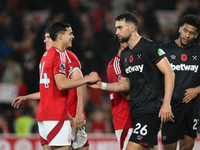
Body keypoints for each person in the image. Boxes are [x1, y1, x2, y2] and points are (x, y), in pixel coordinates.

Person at [89, 12, 175, 150]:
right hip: (136, 110)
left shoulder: (150, 47)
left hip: (151, 108)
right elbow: (124, 85)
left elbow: (169, 73)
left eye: (120, 27)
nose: (116, 31)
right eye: (116, 28)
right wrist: (101, 85)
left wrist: (166, 104)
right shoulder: (125, 55)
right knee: (150, 147)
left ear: (132, 28)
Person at [12, 22, 99, 150]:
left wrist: (28, 97)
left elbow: (50, 89)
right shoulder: (59, 56)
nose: (46, 40)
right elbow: (62, 84)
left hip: (50, 113)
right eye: (70, 34)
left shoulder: (45, 57)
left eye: (48, 37)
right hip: (59, 114)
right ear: (60, 36)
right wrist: (87, 79)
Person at [160, 14, 200, 150]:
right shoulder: (164, 50)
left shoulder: (198, 52)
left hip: (191, 106)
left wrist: (197, 90)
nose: (187, 35)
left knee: (189, 145)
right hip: (170, 107)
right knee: (169, 148)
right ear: (179, 29)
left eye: (192, 33)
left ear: (196, 35)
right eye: (185, 30)